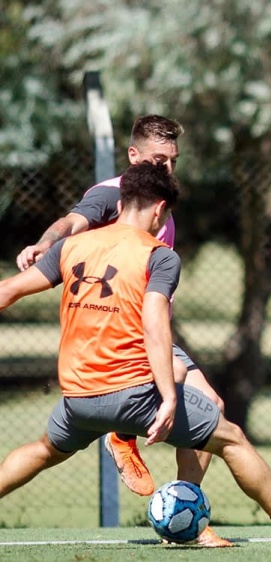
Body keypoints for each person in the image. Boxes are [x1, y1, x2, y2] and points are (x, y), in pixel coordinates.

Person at [0, 162, 271, 551]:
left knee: (43, 450)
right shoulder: (158, 256)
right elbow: (155, 327)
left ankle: (134, 455)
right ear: (160, 209)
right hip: (133, 394)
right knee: (232, 440)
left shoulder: (72, 246)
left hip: (78, 398)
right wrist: (168, 397)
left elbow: (8, 291)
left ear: (121, 202)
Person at [15, 115, 236, 546]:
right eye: (157, 158)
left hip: (148, 328)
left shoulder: (157, 200)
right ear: (133, 156)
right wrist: (44, 243)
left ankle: (184, 519)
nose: (166, 167)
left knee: (212, 404)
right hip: (121, 335)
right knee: (175, 380)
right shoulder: (112, 195)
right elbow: (72, 222)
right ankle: (123, 434)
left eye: (172, 160)